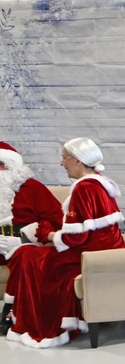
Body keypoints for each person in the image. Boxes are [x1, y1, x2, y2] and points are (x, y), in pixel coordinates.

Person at [3, 138, 125, 348]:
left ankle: (25, 319)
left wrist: (47, 234)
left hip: (87, 254)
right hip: (101, 250)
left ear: (78, 161)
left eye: (64, 158)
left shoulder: (84, 189)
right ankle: (14, 315)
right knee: (28, 254)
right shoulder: (99, 183)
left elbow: (75, 237)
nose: (62, 163)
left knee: (27, 256)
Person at [0, 141, 65, 334]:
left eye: (4, 165)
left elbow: (57, 222)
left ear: (15, 168)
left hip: (20, 246)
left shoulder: (34, 189)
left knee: (24, 256)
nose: (0, 171)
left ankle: (9, 312)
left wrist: (26, 238)